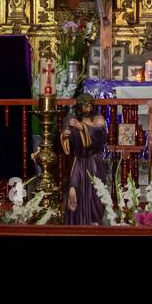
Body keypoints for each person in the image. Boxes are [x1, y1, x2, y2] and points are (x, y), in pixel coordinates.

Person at [60, 93, 108, 224]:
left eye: (90, 105)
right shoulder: (72, 119)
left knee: (95, 196)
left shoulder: (98, 119)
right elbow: (67, 145)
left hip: (94, 163)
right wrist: (65, 136)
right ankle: (77, 226)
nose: (88, 108)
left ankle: (94, 222)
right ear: (79, 107)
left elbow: (100, 136)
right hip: (79, 162)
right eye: (84, 105)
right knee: (74, 193)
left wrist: (83, 128)